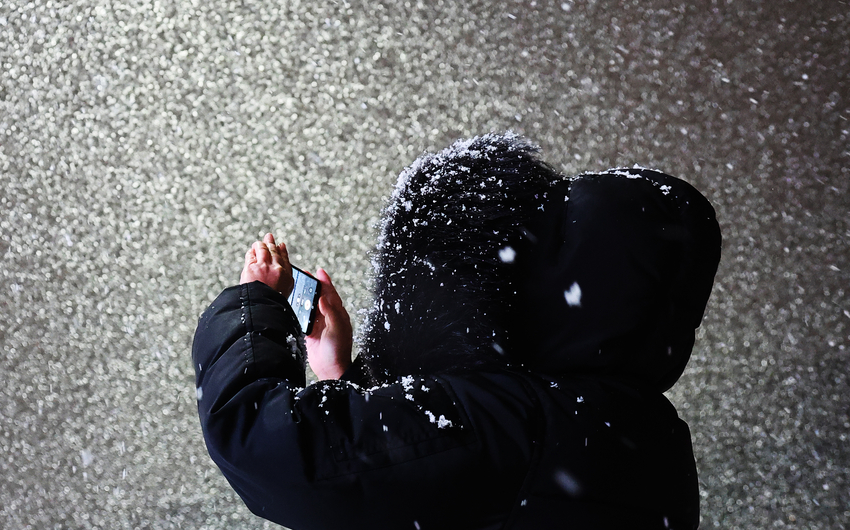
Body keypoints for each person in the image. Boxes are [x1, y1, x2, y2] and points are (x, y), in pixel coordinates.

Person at [192, 133, 721, 529]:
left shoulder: (510, 422)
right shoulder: (652, 442)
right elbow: (426, 490)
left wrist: (256, 304)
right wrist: (344, 374)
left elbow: (260, 442)